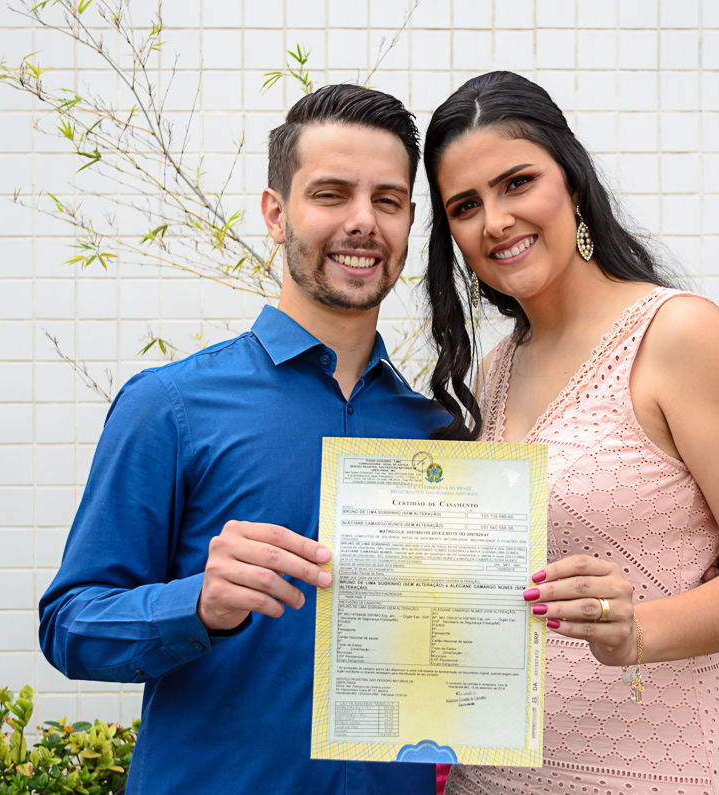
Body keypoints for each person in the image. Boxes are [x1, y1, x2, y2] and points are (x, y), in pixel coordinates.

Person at [422, 72, 719, 795]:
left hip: (655, 772)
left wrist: (639, 628)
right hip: (493, 778)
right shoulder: (494, 373)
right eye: (465, 205)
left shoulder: (678, 336)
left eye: (518, 183)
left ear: (573, 184)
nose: (496, 221)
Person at [37, 84, 440, 795]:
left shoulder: (434, 433)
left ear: (408, 220)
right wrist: (196, 604)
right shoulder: (169, 405)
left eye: (388, 200)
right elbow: (69, 624)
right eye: (331, 194)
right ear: (276, 214)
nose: (362, 221)